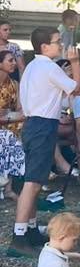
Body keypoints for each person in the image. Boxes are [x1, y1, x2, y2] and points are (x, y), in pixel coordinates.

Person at [8, 27, 80, 257]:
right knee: (32, 182)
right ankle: (18, 236)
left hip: (32, 124)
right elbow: (77, 89)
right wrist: (76, 62)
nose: (60, 44)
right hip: (43, 126)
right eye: (56, 41)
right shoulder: (49, 67)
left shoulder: (31, 66)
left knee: (36, 180)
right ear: (44, 47)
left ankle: (29, 229)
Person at [0, 48, 25, 202]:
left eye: (15, 60)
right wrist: (11, 118)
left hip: (10, 124)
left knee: (14, 133)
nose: (14, 63)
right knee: (9, 135)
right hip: (9, 124)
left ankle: (8, 187)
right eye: (10, 60)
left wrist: (10, 118)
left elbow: (21, 110)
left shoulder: (15, 84)